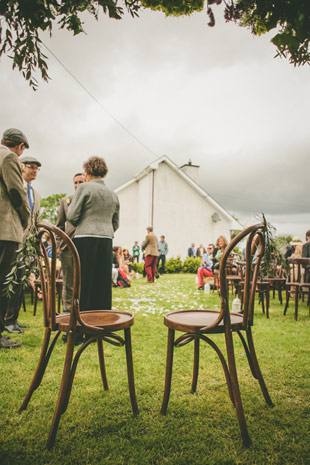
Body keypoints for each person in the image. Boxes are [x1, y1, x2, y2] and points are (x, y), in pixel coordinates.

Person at [67, 156, 119, 311]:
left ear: (87, 172)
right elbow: (115, 223)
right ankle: (101, 322)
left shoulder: (84, 188)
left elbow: (71, 216)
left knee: (84, 282)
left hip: (85, 239)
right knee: (102, 284)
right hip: (106, 240)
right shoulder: (112, 194)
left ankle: (81, 324)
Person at [4, 155, 42, 334]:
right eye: (30, 166)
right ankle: (6, 320)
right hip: (13, 238)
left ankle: (13, 319)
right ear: (21, 166)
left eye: (36, 168)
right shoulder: (12, 185)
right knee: (9, 280)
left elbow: (35, 219)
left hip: (28, 243)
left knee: (21, 280)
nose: (34, 170)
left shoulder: (36, 194)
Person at [0, 128, 30, 348]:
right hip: (6, 229)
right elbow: (16, 191)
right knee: (4, 282)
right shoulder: (9, 157)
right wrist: (25, 218)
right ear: (20, 147)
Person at [56, 173, 85, 313]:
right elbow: (59, 225)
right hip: (67, 247)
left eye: (81, 182)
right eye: (75, 182)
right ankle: (67, 313)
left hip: (85, 246)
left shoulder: (89, 200)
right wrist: (59, 243)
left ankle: (83, 312)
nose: (78, 185)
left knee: (83, 282)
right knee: (68, 283)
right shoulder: (65, 201)